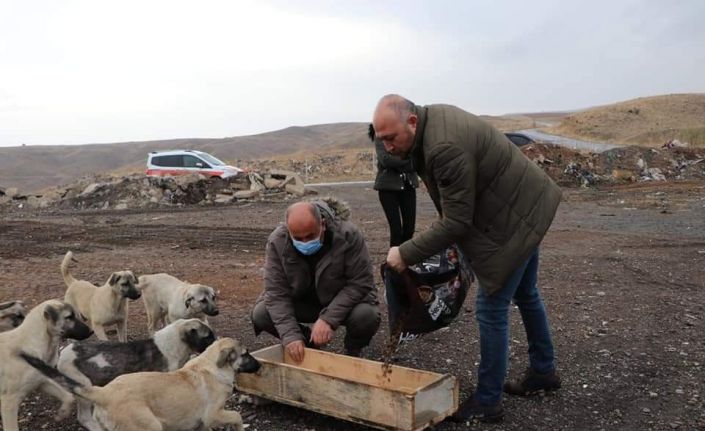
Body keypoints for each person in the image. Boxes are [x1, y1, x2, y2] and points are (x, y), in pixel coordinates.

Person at [373, 94, 562, 422]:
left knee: (491, 309)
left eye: (391, 138)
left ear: (412, 122)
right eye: (382, 140)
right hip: (526, 203)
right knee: (526, 293)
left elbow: (457, 221)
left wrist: (404, 253)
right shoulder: (433, 121)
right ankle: (543, 371)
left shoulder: (442, 147)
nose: (387, 147)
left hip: (512, 220)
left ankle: (488, 401)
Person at [251, 198, 380, 362]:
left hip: (339, 299)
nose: (305, 242)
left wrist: (328, 319)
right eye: (298, 238)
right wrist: (291, 335)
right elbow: (276, 293)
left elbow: (360, 283)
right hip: (303, 301)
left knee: (366, 315)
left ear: (323, 224)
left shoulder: (348, 235)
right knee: (261, 313)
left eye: (310, 236)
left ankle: (353, 350)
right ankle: (307, 346)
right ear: (289, 231)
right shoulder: (278, 241)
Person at [369, 123, 418, 247]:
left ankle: (404, 257)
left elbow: (417, 158)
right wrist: (407, 161)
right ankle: (394, 258)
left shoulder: (408, 135)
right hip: (387, 188)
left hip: (408, 186)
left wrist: (402, 162)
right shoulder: (380, 136)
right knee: (396, 230)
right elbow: (386, 160)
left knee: (409, 229)